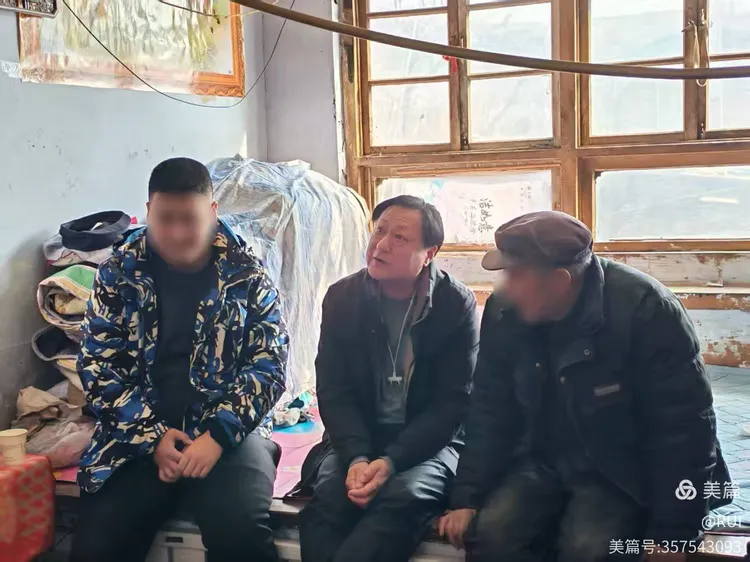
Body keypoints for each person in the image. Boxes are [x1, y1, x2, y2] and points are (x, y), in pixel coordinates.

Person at [438, 211, 729, 562]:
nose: (505, 287)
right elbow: (489, 407)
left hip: (622, 467)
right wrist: (468, 496)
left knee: (588, 548)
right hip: (542, 456)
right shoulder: (505, 309)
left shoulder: (648, 310)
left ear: (560, 281)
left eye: (515, 275)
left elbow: (685, 430)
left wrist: (675, 533)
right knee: (490, 535)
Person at [70, 158, 289, 562]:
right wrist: (152, 438)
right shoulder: (119, 274)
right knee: (97, 543)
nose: (176, 233)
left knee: (240, 532)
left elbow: (269, 365)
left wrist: (218, 435)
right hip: (138, 434)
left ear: (212, 212)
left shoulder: (246, 274)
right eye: (165, 219)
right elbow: (98, 366)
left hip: (229, 435)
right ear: (148, 211)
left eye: (189, 219)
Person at [298, 195, 479, 562]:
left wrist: (392, 461)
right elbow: (333, 390)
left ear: (429, 253)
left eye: (399, 237)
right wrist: (357, 457)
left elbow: (451, 405)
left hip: (429, 443)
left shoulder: (454, 304)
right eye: (379, 231)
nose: (380, 245)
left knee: (404, 498)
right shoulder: (343, 298)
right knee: (331, 499)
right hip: (357, 438)